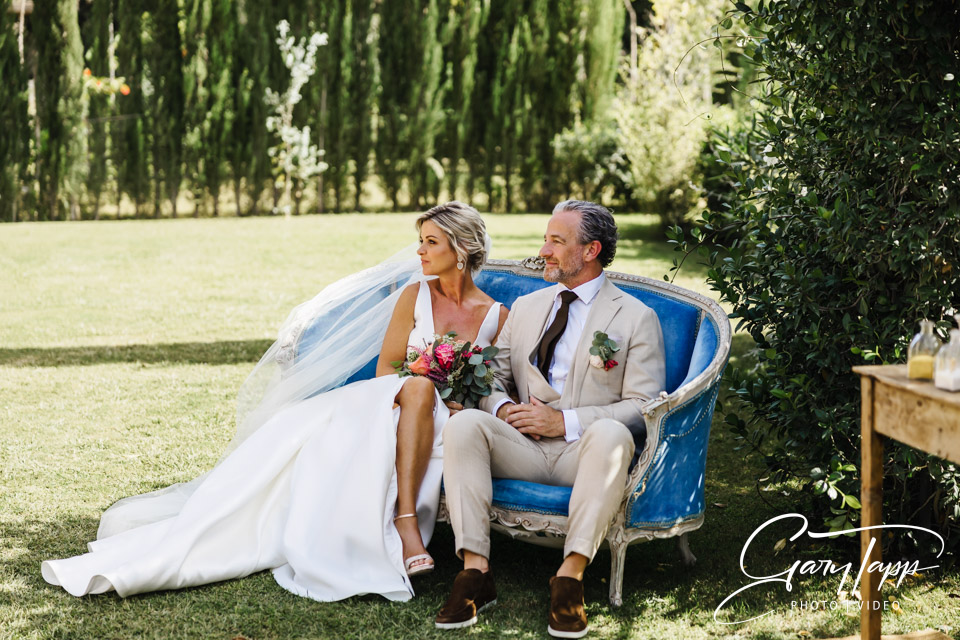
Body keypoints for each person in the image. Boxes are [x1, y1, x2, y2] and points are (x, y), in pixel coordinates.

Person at [41, 201, 508, 602]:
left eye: (430, 242)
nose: (419, 251)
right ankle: (405, 524)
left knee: (433, 402)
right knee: (418, 388)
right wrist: (416, 391)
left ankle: (394, 526)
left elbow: (491, 385)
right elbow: (389, 368)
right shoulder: (414, 295)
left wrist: (456, 402)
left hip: (447, 417)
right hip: (387, 401)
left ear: (461, 252)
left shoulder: (495, 317)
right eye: (420, 240)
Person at [434, 200, 666, 638]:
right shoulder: (526, 306)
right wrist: (504, 410)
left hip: (585, 452)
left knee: (614, 433)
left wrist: (565, 423)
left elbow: (642, 405)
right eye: (546, 239)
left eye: (557, 241)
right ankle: (475, 572)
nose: (544, 250)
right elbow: (491, 378)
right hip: (522, 447)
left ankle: (570, 577)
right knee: (463, 424)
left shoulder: (635, 317)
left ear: (591, 250)